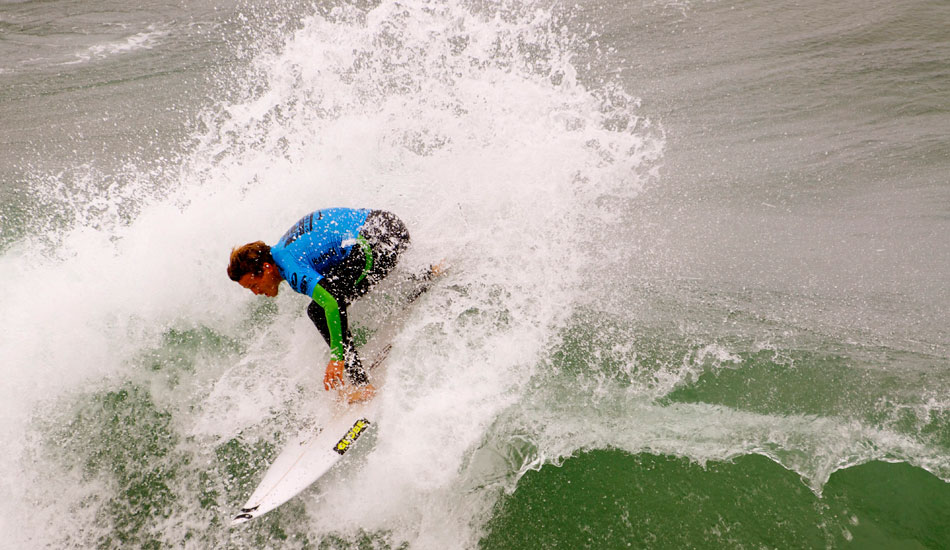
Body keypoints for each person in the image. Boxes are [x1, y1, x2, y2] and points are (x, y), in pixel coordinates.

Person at [227, 208, 411, 403]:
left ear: (266, 268)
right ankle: (422, 276)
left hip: (382, 242)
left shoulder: (291, 268)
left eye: (254, 285)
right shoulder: (282, 249)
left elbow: (333, 302)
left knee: (319, 311)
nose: (256, 292)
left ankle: (362, 386)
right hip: (386, 225)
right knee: (323, 300)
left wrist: (337, 358)